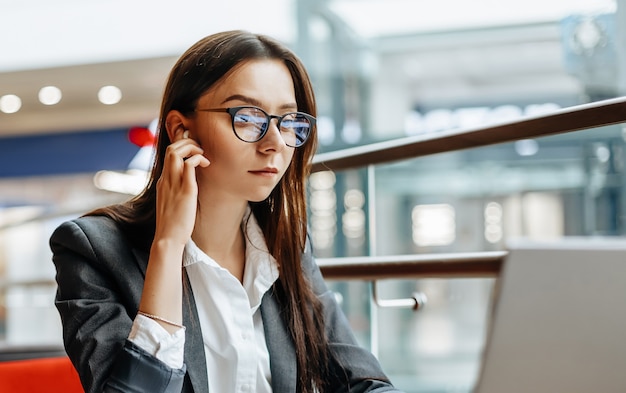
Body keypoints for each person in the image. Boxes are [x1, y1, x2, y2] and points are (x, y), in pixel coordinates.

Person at [50, 30, 403, 393]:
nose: (275, 143)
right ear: (181, 129)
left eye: (288, 120)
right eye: (248, 117)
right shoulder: (91, 249)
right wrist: (168, 248)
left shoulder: (284, 243)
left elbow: (358, 380)